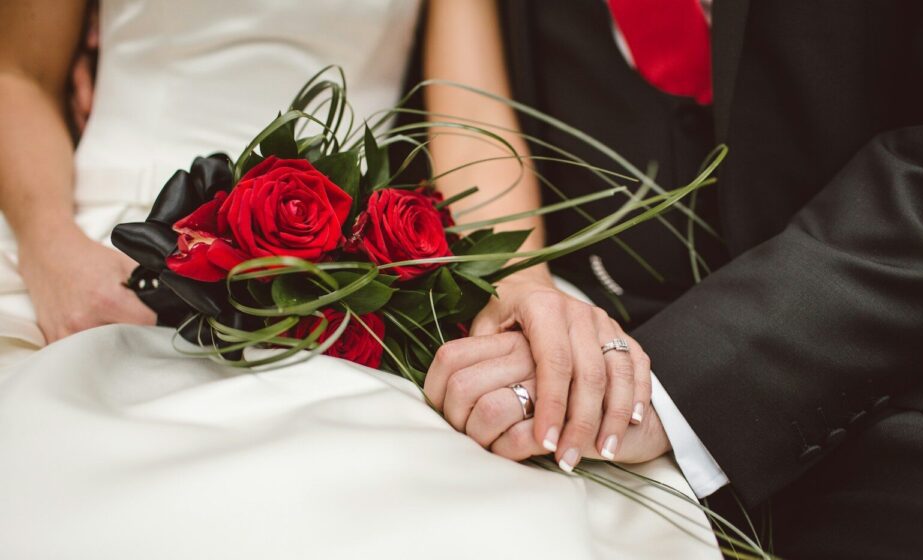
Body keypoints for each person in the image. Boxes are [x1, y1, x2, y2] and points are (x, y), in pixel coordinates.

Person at [0, 1, 718, 558]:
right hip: (99, 235)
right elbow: (17, 75)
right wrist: (50, 249)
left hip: (355, 275)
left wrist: (522, 284)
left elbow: (468, 108)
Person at [424, 0, 923, 558]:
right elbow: (470, 88)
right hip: (554, 336)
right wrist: (520, 282)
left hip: (897, 374)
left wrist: (670, 393)